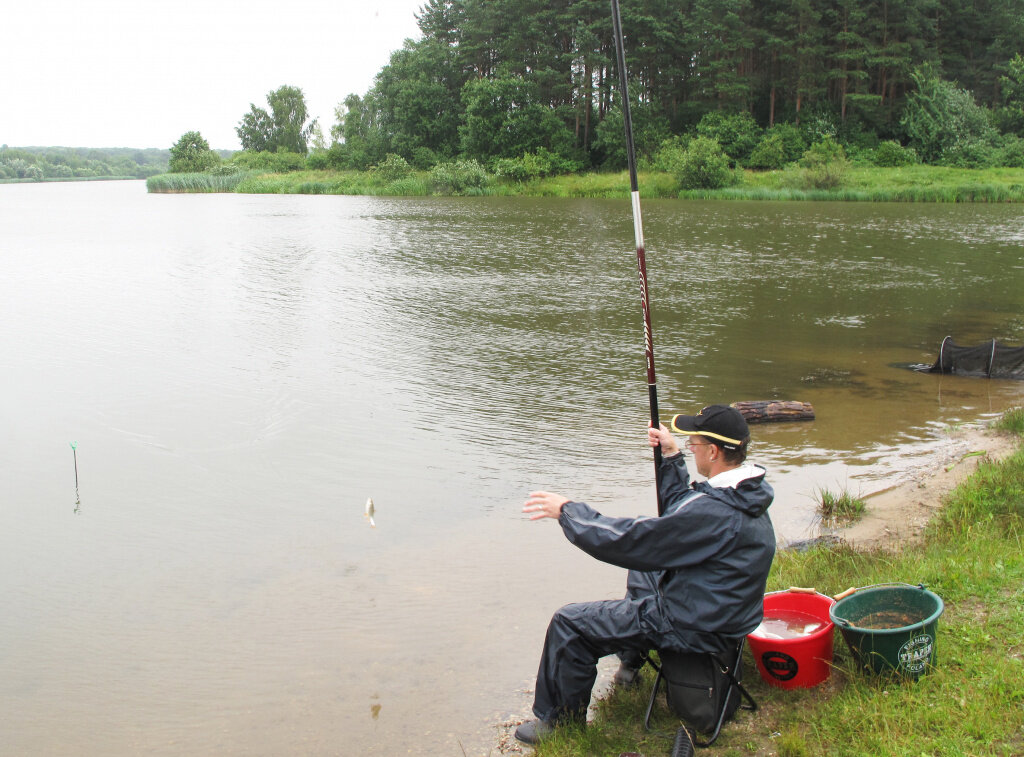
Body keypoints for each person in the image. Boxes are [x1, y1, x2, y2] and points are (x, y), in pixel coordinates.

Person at [514, 404, 775, 745]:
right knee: (644, 568)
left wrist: (568, 512)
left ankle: (559, 723)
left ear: (713, 451)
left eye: (694, 443)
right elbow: (681, 515)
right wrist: (671, 458)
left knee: (570, 623)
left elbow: (632, 540)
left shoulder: (716, 511)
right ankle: (629, 663)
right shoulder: (744, 493)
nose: (691, 448)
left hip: (693, 623)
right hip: (721, 610)